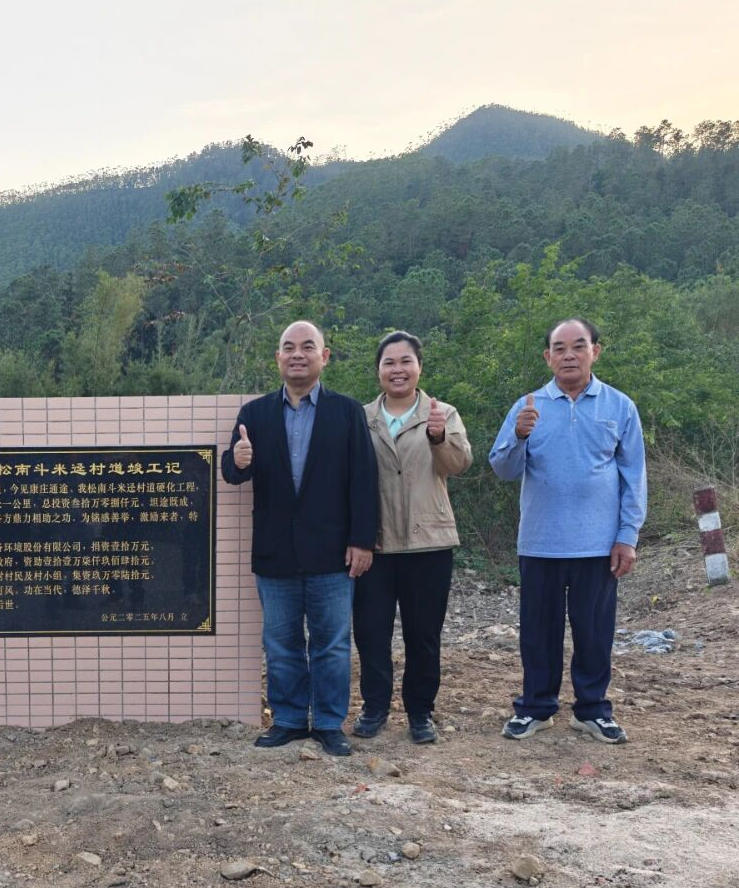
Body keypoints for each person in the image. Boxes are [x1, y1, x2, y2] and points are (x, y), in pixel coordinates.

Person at [221, 320, 378, 756]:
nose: (297, 354)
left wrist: (363, 540)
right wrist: (237, 459)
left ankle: (328, 723)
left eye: (308, 347)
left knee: (332, 645)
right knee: (281, 644)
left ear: (324, 357)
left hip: (333, 553)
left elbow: (364, 480)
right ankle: (289, 719)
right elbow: (232, 472)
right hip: (276, 553)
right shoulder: (254, 415)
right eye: (288, 347)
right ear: (278, 358)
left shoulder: (347, 412)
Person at [489, 317, 646, 743]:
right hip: (540, 541)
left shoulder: (619, 407)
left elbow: (634, 476)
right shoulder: (528, 406)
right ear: (548, 357)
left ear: (596, 351)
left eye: (579, 346)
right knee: (538, 632)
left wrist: (627, 536)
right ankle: (535, 708)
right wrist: (518, 436)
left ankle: (592, 710)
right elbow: (503, 469)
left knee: (594, 632)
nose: (569, 355)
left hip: (597, 544)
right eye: (559, 348)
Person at [352, 332, 473, 744]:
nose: (397, 369)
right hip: (375, 544)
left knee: (423, 635)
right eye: (389, 362)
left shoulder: (442, 413)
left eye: (406, 361)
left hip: (429, 543)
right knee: (371, 633)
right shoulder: (361, 418)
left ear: (419, 367)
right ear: (378, 370)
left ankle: (421, 712)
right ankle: (374, 707)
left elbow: (459, 464)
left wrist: (439, 437)